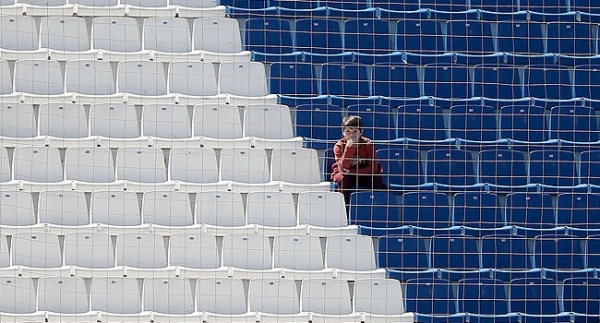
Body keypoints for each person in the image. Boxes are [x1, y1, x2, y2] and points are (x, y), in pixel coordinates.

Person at [331, 115, 387, 205]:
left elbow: (373, 168)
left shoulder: (368, 144)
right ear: (343, 132)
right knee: (343, 180)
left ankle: (378, 206)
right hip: (345, 174)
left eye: (355, 131)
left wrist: (352, 171)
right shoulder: (339, 146)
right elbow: (343, 168)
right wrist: (349, 148)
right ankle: (344, 208)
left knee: (377, 180)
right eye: (348, 132)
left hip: (363, 173)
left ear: (361, 132)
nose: (351, 135)